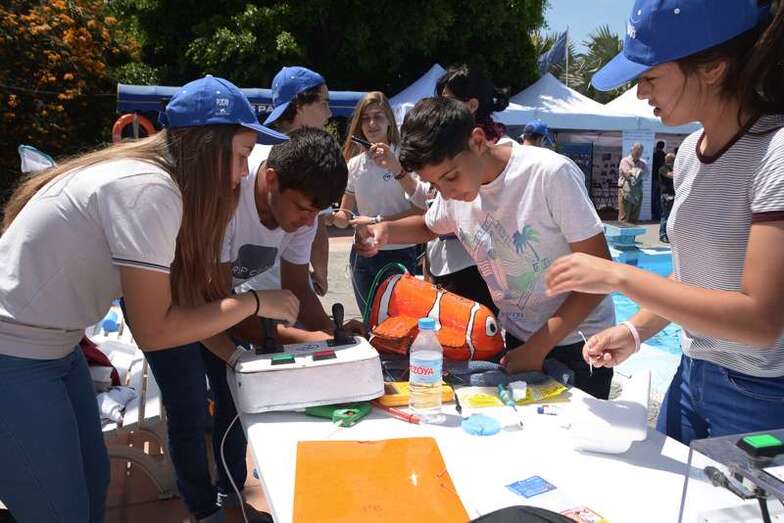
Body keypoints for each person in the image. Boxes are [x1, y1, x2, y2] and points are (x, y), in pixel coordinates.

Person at [0, 76, 299, 522]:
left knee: (93, 482)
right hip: (15, 355)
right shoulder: (149, 190)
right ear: (206, 147)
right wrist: (255, 302)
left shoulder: (154, 182)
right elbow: (155, 330)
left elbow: (182, 303)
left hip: (57, 348)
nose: (243, 173)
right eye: (241, 156)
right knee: (62, 510)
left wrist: (236, 357)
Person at [545, 0, 784, 445]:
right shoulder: (690, 154)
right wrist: (635, 330)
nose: (640, 93)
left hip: (761, 394)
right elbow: (694, 276)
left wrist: (619, 276)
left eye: (650, 78)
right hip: (691, 374)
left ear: (713, 68)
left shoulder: (776, 154)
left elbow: (760, 321)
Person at [132, 127, 359, 523]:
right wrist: (311, 339)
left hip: (215, 301)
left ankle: (232, 495)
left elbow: (297, 290)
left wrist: (332, 335)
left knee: (235, 392)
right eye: (302, 209)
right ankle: (204, 511)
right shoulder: (227, 196)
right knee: (188, 405)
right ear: (270, 179)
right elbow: (224, 309)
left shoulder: (304, 207)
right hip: (167, 297)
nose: (308, 222)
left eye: (316, 214)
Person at [355, 97, 616, 399]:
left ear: (477, 141)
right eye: (436, 186)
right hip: (520, 338)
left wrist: (538, 347)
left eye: (450, 177)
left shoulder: (549, 174)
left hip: (581, 343)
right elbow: (429, 225)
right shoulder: (454, 191)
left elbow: (601, 276)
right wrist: (386, 230)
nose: (447, 193)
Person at [391, 64, 512, 313]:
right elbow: (431, 218)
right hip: (449, 265)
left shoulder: (503, 160)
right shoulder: (449, 165)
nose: (446, 193)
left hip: (477, 272)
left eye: (447, 101)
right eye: (437, 183)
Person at [332, 92, 423, 313]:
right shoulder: (354, 164)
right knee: (369, 322)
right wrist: (330, 216)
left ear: (389, 121)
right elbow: (345, 215)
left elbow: (420, 210)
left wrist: (375, 221)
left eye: (378, 117)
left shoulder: (405, 157)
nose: (372, 124)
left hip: (401, 251)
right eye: (366, 118)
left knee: (399, 323)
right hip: (362, 253)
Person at [250, 66, 333, 296]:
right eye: (324, 103)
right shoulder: (310, 161)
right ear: (299, 106)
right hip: (283, 291)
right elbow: (318, 228)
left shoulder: (251, 151)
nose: (329, 113)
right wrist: (321, 274)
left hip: (251, 290)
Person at [617, 142, 647, 224]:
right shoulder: (625, 161)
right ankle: (623, 232)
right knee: (624, 217)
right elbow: (627, 174)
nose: (638, 154)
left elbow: (645, 175)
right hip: (626, 191)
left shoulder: (642, 163)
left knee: (634, 218)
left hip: (638, 192)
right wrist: (638, 172)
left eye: (640, 152)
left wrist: (635, 172)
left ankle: (633, 232)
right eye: (636, 151)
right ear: (632, 150)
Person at [658, 153, 676, 243]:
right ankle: (662, 235)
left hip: (674, 194)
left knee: (672, 216)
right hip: (666, 195)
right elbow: (670, 175)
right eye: (672, 160)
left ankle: (670, 235)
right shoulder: (663, 168)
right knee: (665, 215)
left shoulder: (674, 168)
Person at [651, 140, 667, 219]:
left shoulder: (653, 155)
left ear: (657, 146)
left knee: (653, 197)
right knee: (660, 198)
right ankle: (659, 214)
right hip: (662, 180)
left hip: (654, 179)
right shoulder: (665, 156)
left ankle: (653, 213)